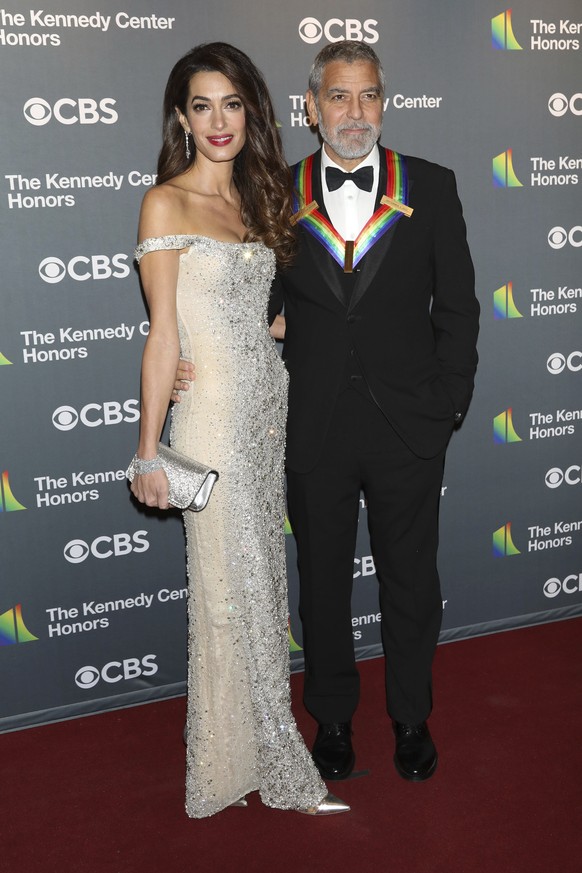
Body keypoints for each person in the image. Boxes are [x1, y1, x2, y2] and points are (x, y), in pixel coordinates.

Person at [175, 40, 479, 786]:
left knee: (412, 580)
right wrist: (192, 354)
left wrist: (448, 404)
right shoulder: (276, 191)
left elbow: (460, 309)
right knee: (323, 586)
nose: (355, 112)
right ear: (311, 108)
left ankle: (411, 715)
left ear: (385, 102)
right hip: (311, 424)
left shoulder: (431, 187)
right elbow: (251, 303)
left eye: (368, 95)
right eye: (339, 97)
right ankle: (333, 718)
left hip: (410, 425)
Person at [129, 42, 348, 818]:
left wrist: (289, 329)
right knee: (232, 589)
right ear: (181, 119)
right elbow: (163, 336)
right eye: (200, 105)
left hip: (267, 414)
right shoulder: (167, 201)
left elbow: (264, 313)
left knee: (255, 587)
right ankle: (263, 763)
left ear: (251, 109)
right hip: (215, 419)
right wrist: (148, 448)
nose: (217, 120)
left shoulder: (258, 200)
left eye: (230, 103)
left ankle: (240, 754)